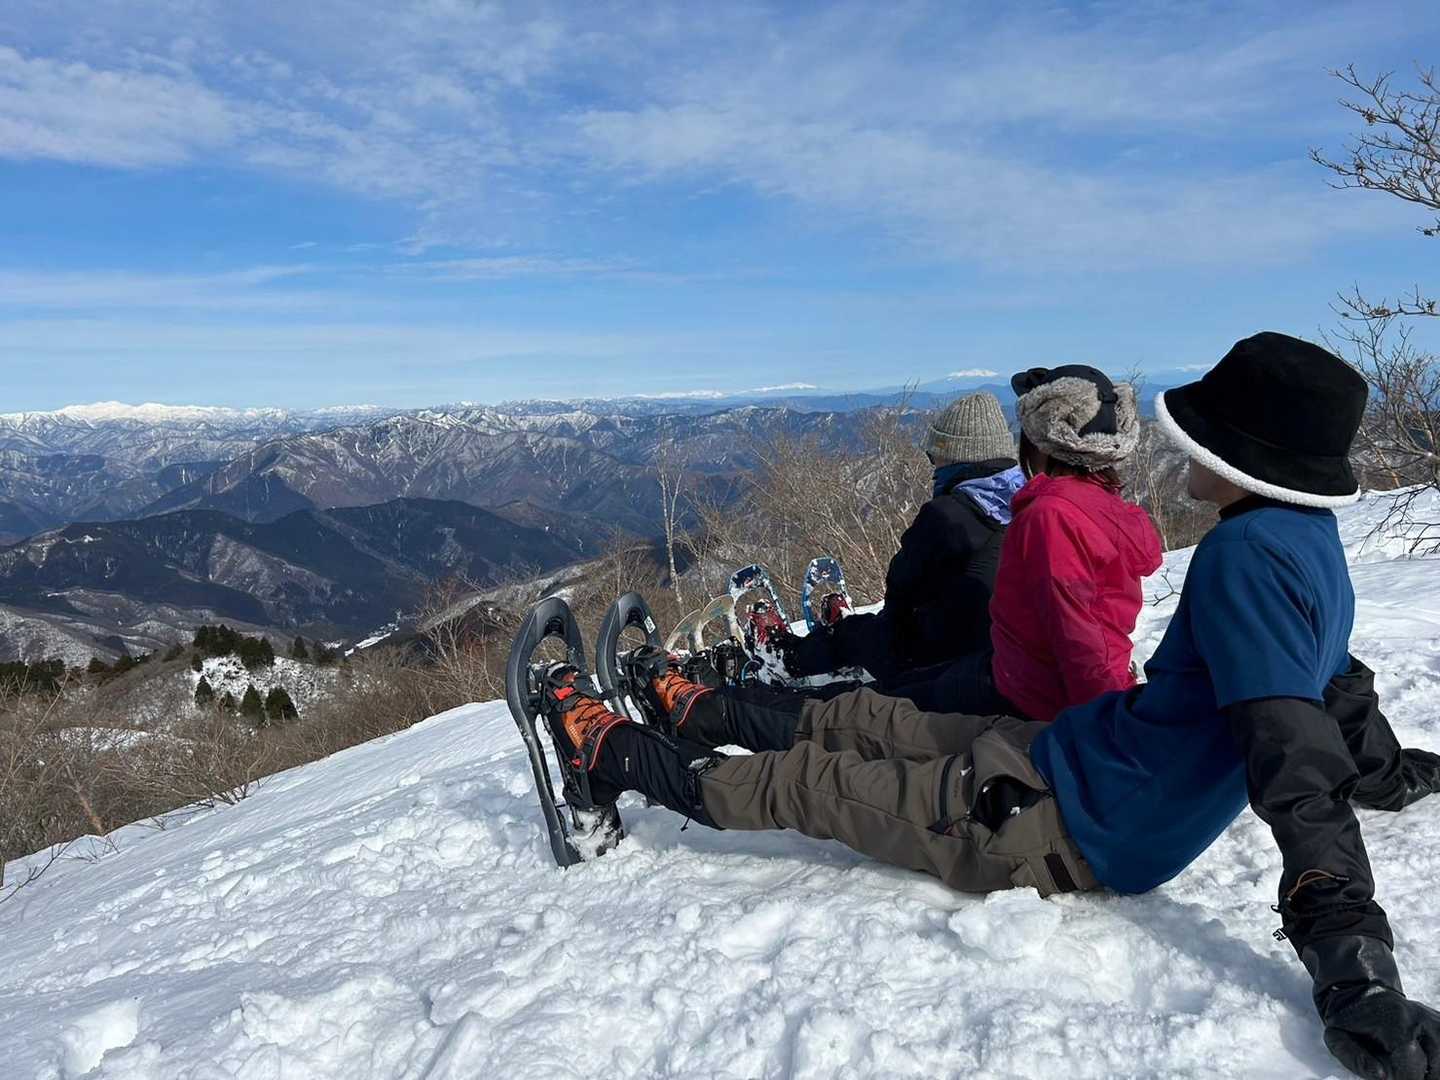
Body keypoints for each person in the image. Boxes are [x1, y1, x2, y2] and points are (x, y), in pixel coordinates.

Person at [538, 332, 1440, 1079]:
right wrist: (1391, 774)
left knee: (812, 785)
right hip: (1074, 754)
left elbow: (1292, 752)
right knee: (873, 719)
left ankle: (610, 755)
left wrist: (1354, 969)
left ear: (1241, 454)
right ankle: (699, 713)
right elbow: (1339, 681)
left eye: (1204, 431)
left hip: (1068, 825)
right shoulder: (1305, 542)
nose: (1180, 444)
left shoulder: (1248, 556)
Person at [780, 390, 1022, 686]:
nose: (934, 466)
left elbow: (901, 587)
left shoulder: (947, 515)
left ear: (958, 456)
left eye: (935, 456)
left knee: (856, 633)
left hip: (942, 659)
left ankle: (786, 660)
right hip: (1005, 652)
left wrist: (881, 634)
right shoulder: (1029, 502)